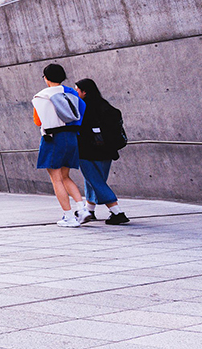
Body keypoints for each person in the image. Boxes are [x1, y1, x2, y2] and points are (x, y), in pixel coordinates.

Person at [33, 63, 90, 227]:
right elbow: (82, 109)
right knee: (65, 176)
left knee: (56, 179)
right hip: (71, 137)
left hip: (53, 138)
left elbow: (38, 121)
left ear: (46, 78)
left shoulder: (41, 96)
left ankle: (69, 217)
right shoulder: (71, 93)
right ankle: (82, 208)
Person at [75, 78, 130, 225]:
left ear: (85, 92)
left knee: (95, 181)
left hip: (87, 151)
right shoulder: (105, 105)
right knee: (93, 180)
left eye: (77, 89)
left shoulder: (84, 108)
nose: (75, 92)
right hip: (107, 151)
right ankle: (90, 210)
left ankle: (117, 212)